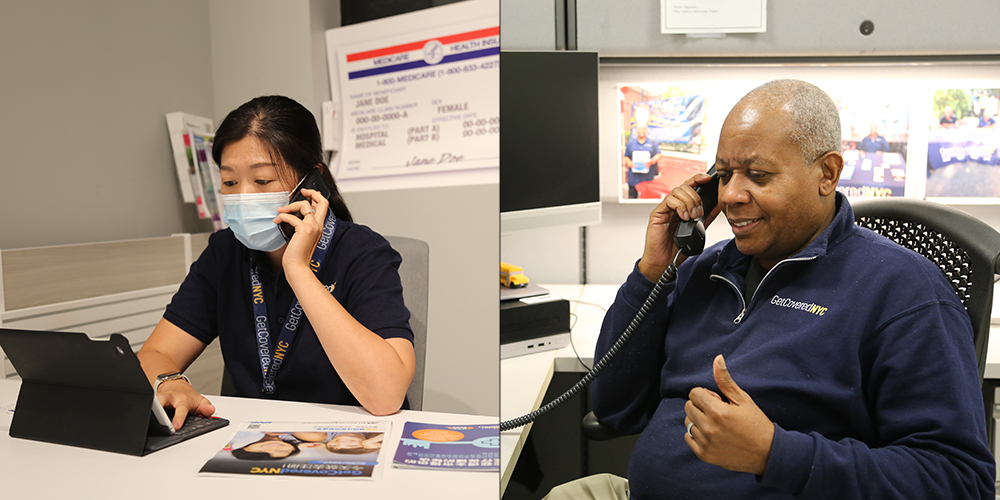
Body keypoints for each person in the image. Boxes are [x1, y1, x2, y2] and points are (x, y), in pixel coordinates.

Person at [548, 80, 995, 499]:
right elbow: (614, 408)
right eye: (724, 174)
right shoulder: (702, 270)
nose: (730, 196)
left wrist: (774, 453)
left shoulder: (904, 292)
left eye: (758, 175)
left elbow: (959, 479)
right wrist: (652, 273)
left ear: (827, 173)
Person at [137, 95, 416, 430]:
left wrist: (298, 270)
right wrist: (169, 381)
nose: (243, 196)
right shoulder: (225, 252)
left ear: (312, 183)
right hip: (253, 438)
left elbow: (386, 396)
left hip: (349, 439)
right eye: (229, 182)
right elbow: (154, 355)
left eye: (263, 181)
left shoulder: (362, 251)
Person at [623, 125, 662, 199]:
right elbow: (626, 156)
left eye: (643, 129)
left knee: (647, 198)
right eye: (640, 129)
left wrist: (651, 161)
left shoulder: (652, 143)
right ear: (637, 130)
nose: (641, 131)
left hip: (647, 177)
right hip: (633, 177)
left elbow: (658, 154)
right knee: (632, 198)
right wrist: (629, 163)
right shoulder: (630, 143)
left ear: (646, 130)